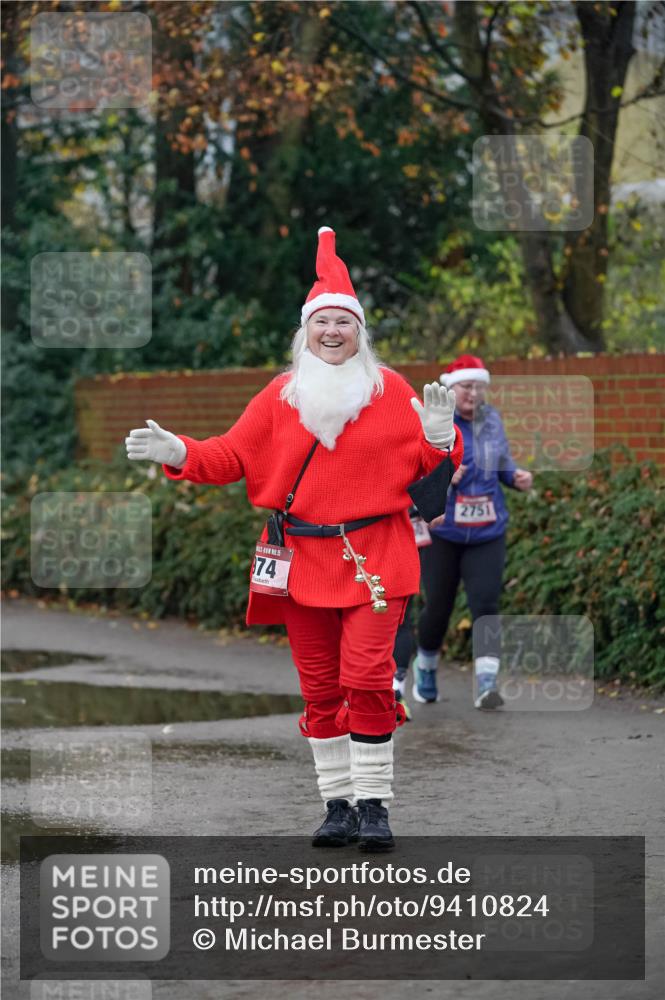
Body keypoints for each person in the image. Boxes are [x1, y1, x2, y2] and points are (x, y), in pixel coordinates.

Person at [125, 227, 463, 851]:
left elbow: (430, 468)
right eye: (321, 322)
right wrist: (179, 451)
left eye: (344, 322)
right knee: (320, 685)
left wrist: (442, 436)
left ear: (360, 332)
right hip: (301, 560)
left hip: (374, 557)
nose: (332, 331)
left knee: (367, 675)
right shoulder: (280, 396)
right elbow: (231, 454)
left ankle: (374, 804)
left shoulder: (390, 391)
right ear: (305, 332)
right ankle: (338, 804)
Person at [406, 354, 533, 710]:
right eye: (466, 387)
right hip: (443, 530)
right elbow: (414, 473)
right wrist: (445, 476)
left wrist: (515, 477)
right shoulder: (436, 422)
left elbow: (501, 461)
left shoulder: (492, 420)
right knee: (438, 607)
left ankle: (487, 684)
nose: (473, 394)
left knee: (486, 603)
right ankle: (425, 668)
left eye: (478, 387)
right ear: (451, 388)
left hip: (487, 531)